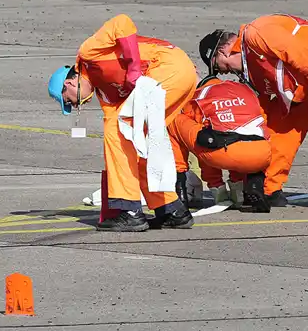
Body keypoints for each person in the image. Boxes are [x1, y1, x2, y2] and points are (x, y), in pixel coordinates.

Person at [199, 13, 308, 212]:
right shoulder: (251, 68)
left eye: (218, 66)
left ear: (223, 51)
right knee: (279, 127)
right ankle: (269, 189)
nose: (223, 72)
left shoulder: (257, 32)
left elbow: (298, 52)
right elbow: (262, 112)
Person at [48, 14, 198, 232]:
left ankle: (129, 210)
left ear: (69, 83)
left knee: (118, 132)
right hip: (178, 75)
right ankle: (171, 209)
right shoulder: (105, 92)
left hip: (167, 68)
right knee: (136, 142)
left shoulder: (88, 53)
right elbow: (113, 119)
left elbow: (122, 22)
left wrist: (133, 67)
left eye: (70, 101)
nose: (76, 105)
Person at [169, 75, 272, 213]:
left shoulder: (198, 97)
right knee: (238, 134)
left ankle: (182, 187)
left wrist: (214, 183)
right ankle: (241, 191)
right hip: (262, 154)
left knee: (175, 121)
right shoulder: (244, 89)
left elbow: (203, 141)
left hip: (225, 152)